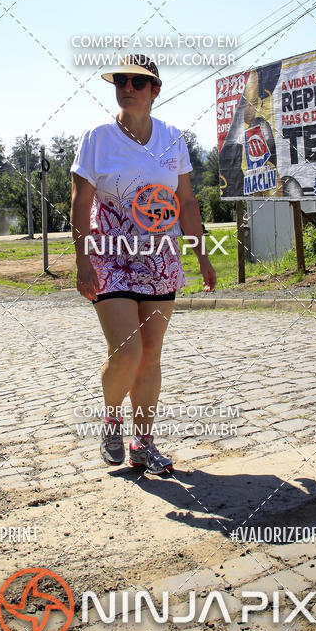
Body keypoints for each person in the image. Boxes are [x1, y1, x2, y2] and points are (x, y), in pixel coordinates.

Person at [70, 54, 216, 475]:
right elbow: (80, 201)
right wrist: (82, 259)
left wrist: (201, 254)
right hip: (109, 255)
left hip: (159, 258)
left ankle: (143, 443)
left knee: (150, 354)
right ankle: (112, 421)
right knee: (127, 351)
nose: (127, 88)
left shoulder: (173, 138)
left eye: (137, 82)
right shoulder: (96, 138)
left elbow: (186, 201)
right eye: (121, 81)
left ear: (155, 90)